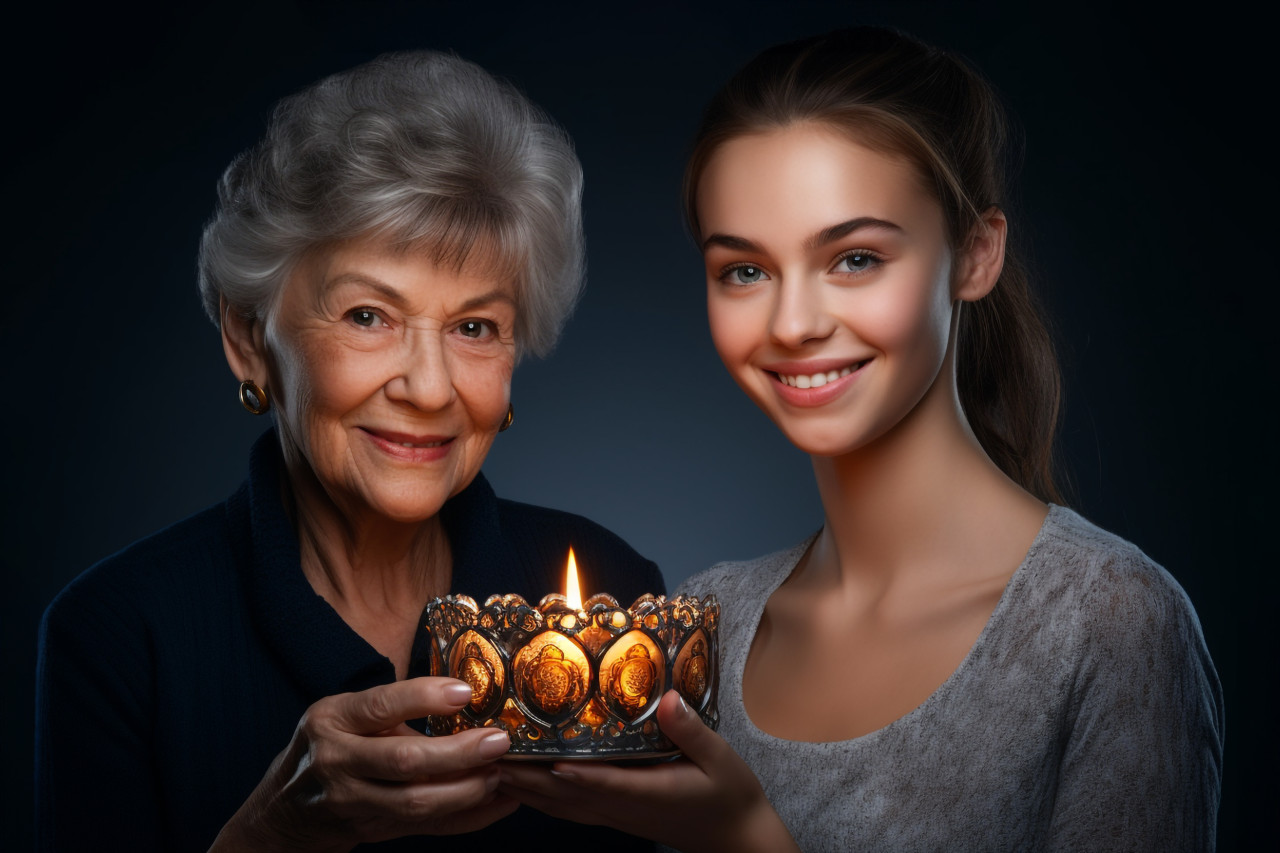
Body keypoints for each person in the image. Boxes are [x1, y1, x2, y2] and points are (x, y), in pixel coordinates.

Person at [499, 27, 1224, 851]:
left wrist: (748, 837)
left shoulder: (1109, 624)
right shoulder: (709, 620)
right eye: (745, 270)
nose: (794, 324)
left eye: (854, 258)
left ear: (976, 254)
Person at [35, 51, 663, 852]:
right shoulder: (119, 637)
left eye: (475, 327)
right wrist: (270, 834)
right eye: (369, 315)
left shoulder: (613, 593)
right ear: (246, 336)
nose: (431, 388)